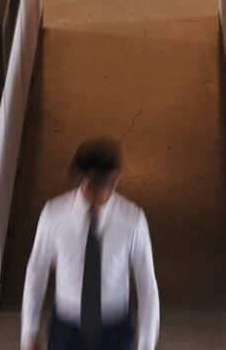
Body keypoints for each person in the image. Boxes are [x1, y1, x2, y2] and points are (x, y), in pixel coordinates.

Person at [21, 138, 159, 350]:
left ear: (116, 180)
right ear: (79, 179)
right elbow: (36, 272)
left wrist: (147, 344)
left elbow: (147, 283)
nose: (102, 192)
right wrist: (29, 333)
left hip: (116, 331)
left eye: (109, 183)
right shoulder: (54, 215)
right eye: (95, 184)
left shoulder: (132, 220)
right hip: (66, 331)